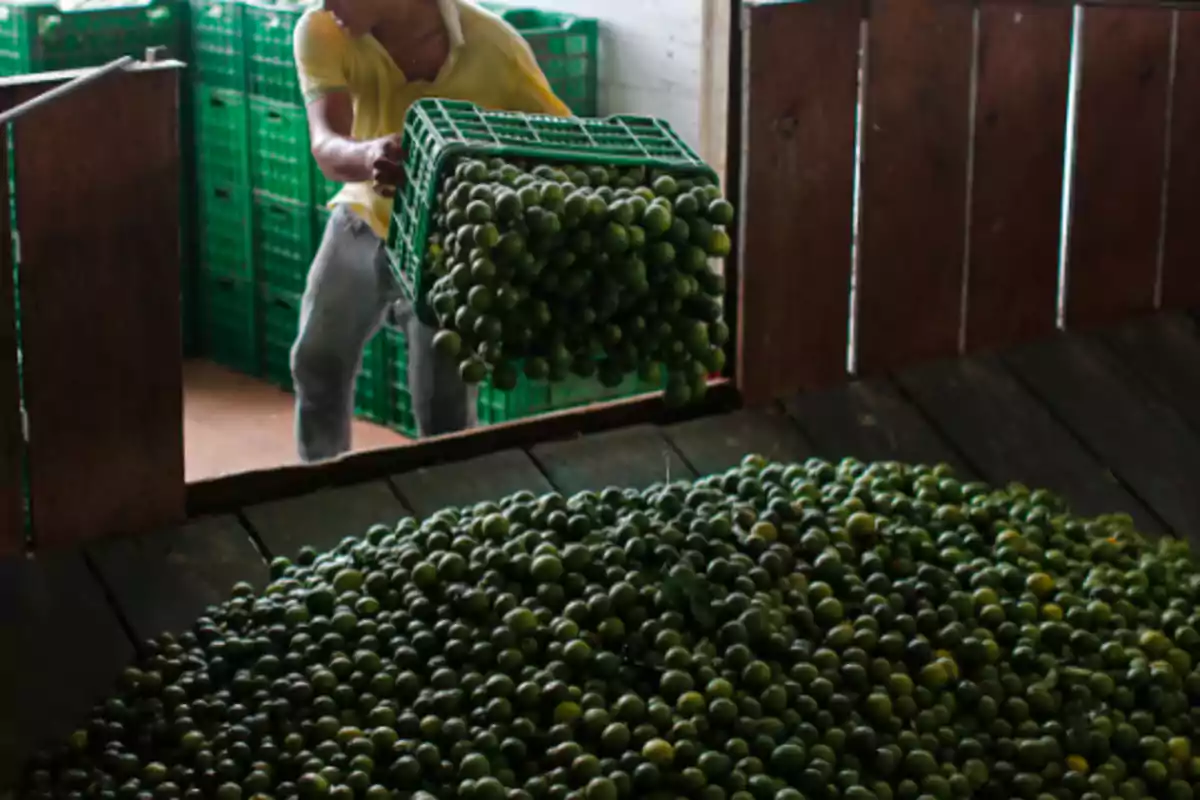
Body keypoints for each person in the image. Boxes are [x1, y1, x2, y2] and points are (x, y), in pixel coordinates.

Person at [291, 0, 571, 462]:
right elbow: (325, 143)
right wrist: (368, 157)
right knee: (317, 363)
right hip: (362, 222)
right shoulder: (323, 29)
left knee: (444, 410)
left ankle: (449, 510)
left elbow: (557, 147)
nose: (323, 2)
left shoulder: (495, 49)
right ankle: (318, 486)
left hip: (447, 247)